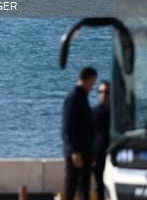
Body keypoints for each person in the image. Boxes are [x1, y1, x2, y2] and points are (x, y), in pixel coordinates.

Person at [62, 67, 97, 200]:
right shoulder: (74, 97)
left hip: (85, 151)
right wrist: (74, 150)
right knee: (71, 188)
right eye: (92, 82)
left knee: (84, 189)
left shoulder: (82, 97)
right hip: (77, 152)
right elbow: (67, 127)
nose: (92, 87)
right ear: (88, 80)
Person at [92, 80, 111, 200]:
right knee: (99, 186)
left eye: (106, 92)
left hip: (113, 155)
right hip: (98, 156)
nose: (103, 95)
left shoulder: (117, 114)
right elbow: (88, 136)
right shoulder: (93, 113)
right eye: (100, 92)